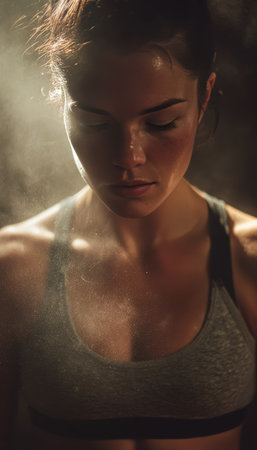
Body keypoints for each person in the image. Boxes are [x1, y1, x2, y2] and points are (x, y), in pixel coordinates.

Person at [0, 0, 256, 449]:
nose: (128, 157)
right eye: (95, 123)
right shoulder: (12, 269)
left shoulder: (248, 260)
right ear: (61, 101)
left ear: (205, 98)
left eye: (161, 122)